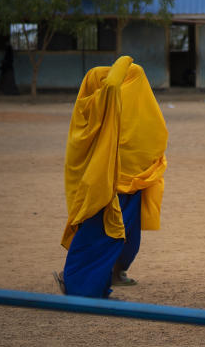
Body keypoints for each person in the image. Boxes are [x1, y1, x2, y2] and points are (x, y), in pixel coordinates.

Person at [55, 55, 168, 298]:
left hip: (121, 183)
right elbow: (112, 86)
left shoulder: (107, 108)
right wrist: (125, 62)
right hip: (109, 185)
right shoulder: (103, 104)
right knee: (103, 237)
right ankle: (80, 286)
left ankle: (107, 276)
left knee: (120, 238)